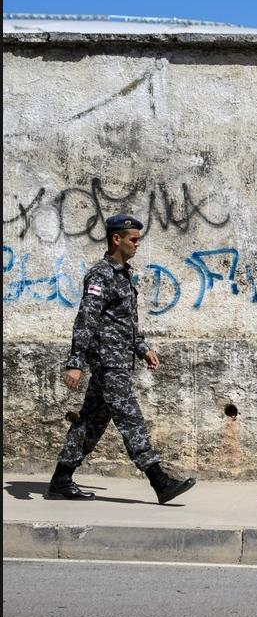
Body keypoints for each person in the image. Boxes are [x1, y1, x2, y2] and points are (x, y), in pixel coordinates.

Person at [49, 214, 196, 505]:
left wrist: (142, 348)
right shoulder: (101, 275)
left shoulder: (124, 274)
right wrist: (75, 362)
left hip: (118, 360)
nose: (137, 245)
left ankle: (61, 479)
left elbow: (124, 322)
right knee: (130, 418)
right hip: (107, 362)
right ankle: (159, 480)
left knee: (91, 422)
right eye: (133, 239)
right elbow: (86, 320)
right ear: (117, 239)